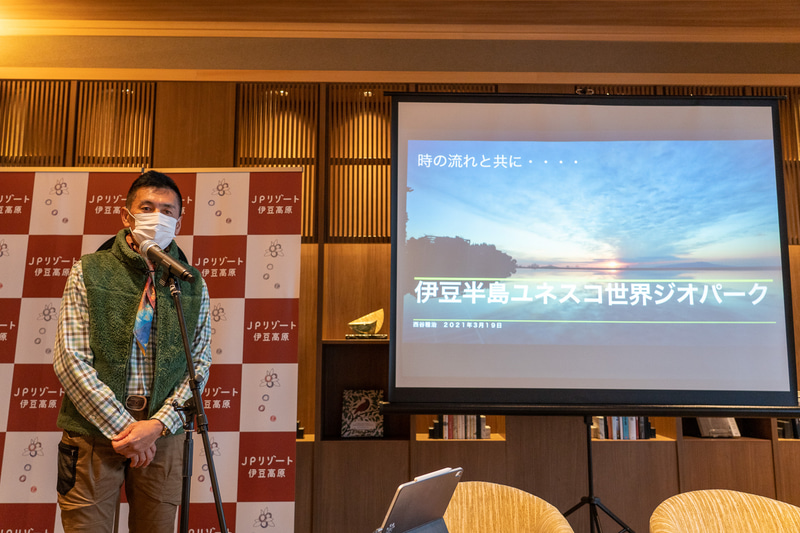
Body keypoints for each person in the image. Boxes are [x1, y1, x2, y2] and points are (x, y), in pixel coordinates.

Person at [53, 170, 211, 533]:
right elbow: (70, 360)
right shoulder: (88, 271)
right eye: (148, 207)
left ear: (179, 221)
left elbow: (199, 363)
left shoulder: (190, 282)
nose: (159, 216)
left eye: (168, 211)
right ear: (127, 216)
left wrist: (155, 427)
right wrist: (127, 430)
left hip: (161, 438)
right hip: (94, 433)